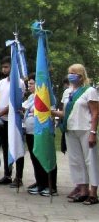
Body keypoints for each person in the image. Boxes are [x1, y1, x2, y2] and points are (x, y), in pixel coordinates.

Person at [51, 64, 98, 205]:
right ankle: (83, 190)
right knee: (76, 161)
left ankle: (93, 192)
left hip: (85, 129)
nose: (70, 75)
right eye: (69, 72)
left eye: (73, 73)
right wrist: (51, 111)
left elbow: (95, 113)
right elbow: (66, 113)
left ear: (81, 75)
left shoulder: (89, 91)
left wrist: (93, 132)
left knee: (91, 161)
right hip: (70, 130)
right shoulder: (67, 92)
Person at [0, 56, 26, 187]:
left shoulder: (19, 82)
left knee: (16, 147)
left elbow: (14, 102)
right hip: (1, 120)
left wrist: (0, 113)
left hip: (13, 120)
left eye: (6, 67)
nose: (4, 69)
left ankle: (19, 177)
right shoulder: (1, 82)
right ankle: (7, 174)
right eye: (3, 67)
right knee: (5, 147)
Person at [23, 73, 58, 196]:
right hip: (30, 132)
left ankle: (51, 185)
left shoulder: (47, 96)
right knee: (35, 157)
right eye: (29, 84)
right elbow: (24, 109)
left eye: (32, 84)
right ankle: (40, 182)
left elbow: (51, 111)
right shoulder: (31, 97)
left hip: (43, 133)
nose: (29, 87)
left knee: (46, 157)